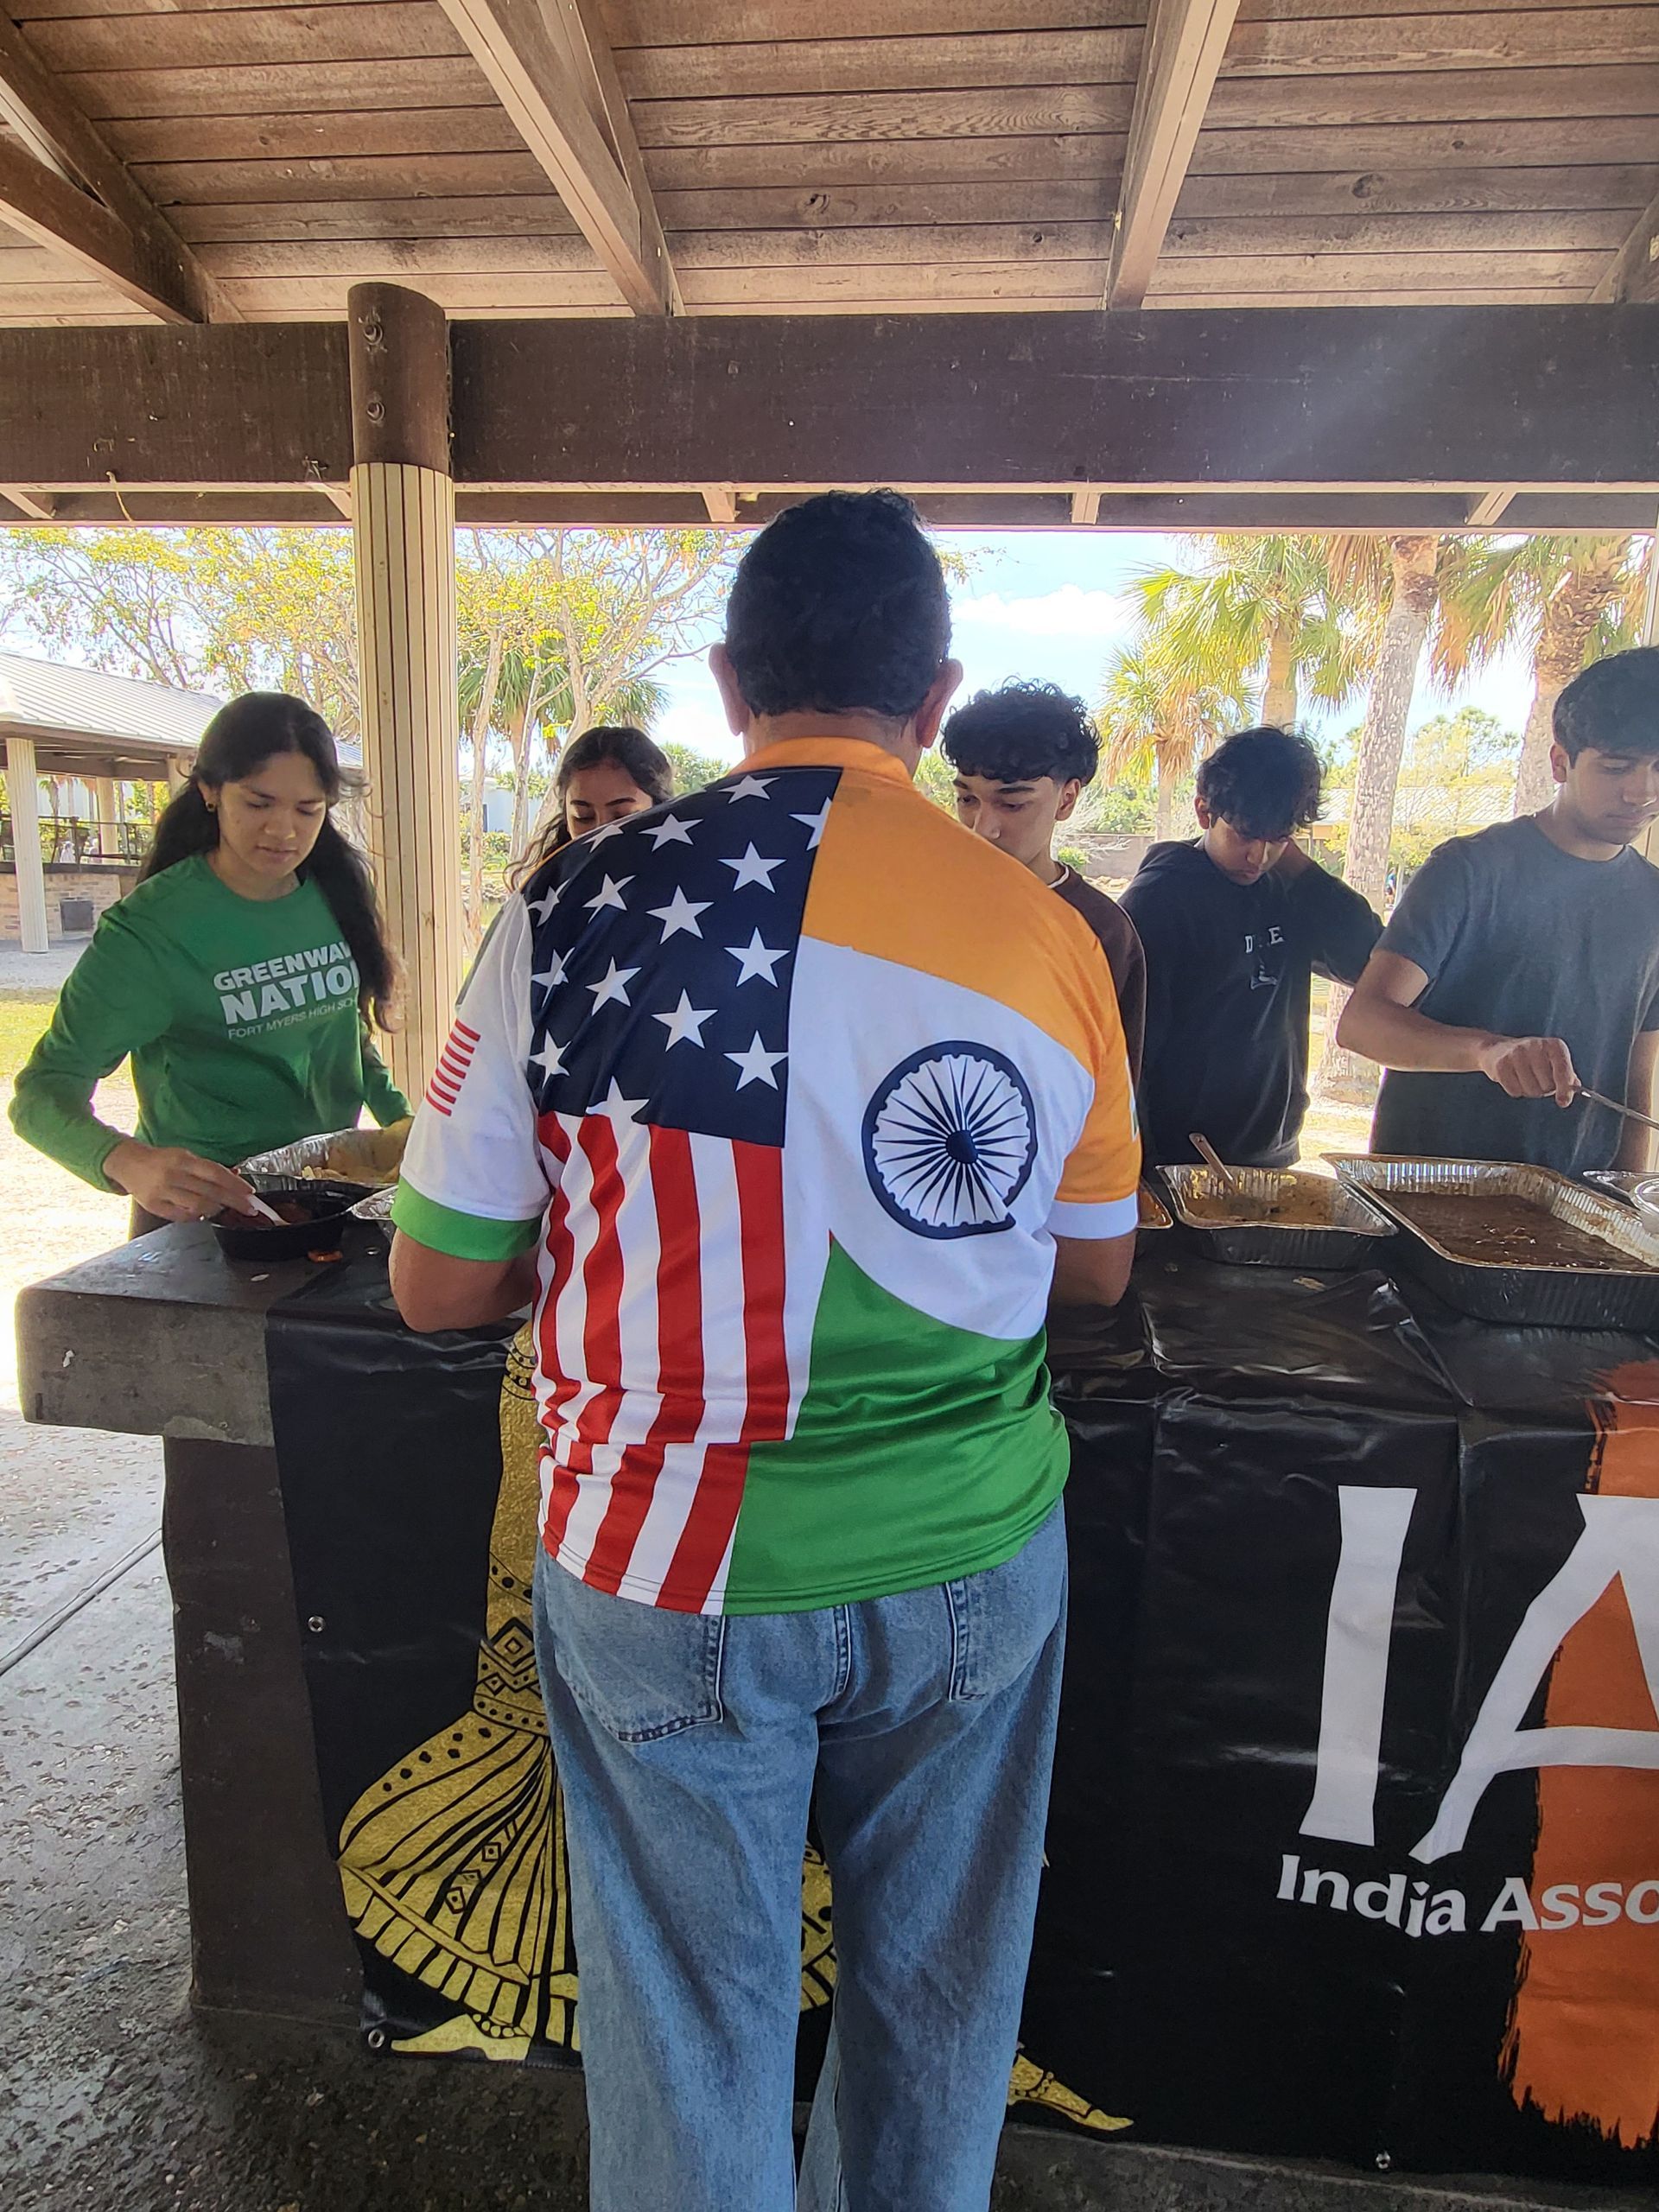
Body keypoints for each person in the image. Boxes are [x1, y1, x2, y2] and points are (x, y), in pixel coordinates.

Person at [388, 489, 1141, 2212]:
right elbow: (1097, 1268)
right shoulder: (1046, 930)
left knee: (688, 2018)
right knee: (936, 1996)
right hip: (966, 1546)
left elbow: (436, 1290)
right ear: (936, 696)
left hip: (662, 1560)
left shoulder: (560, 915)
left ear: (730, 681)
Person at [10, 691, 409, 1230]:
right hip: (203, 1217)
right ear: (209, 791)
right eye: (258, 803)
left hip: (324, 1193)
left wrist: (400, 1126)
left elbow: (342, 1031)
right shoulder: (151, 930)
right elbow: (42, 1092)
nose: (285, 831)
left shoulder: (333, 890)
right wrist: (129, 1162)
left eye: (308, 809)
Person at [1338, 648, 1659, 1173]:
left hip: (1574, 1211)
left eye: (1658, 768)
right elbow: (1363, 1023)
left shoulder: (1653, 900)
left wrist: (1624, 1200)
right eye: (1616, 768)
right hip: (1429, 1198)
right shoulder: (1469, 870)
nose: (1640, 793)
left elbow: (1637, 1076)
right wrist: (1487, 1052)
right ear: (1561, 763)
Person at [1118, 724, 1380, 1167]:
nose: (1258, 857)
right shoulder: (1160, 901)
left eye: (1277, 839)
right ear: (1204, 811)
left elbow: (1369, 962)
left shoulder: (1289, 887)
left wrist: (1298, 868)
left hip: (1273, 1149)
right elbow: (1129, 1049)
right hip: (1180, 1161)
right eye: (1243, 835)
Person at [943, 677, 1147, 1077]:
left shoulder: (1102, 931)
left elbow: (1116, 1091)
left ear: (1066, 799)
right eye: (967, 799)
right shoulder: (921, 902)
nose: (982, 828)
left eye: (1012, 803)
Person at [523, 722, 673, 872]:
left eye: (623, 816)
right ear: (566, 820)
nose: (601, 834)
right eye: (583, 817)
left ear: (659, 809)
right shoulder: (547, 892)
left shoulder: (688, 885)